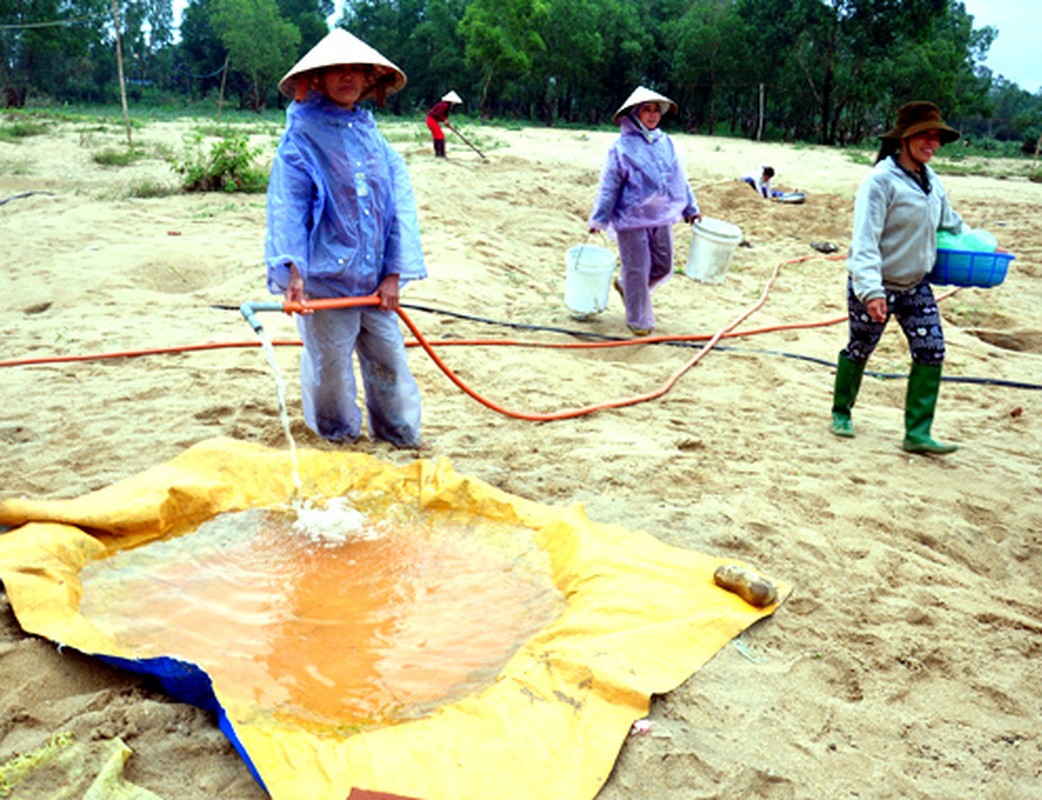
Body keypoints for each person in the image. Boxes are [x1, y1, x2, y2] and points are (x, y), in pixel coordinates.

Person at [264, 28, 427, 449]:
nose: (348, 77)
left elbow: (399, 208)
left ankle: (398, 437)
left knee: (389, 360)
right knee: (331, 371)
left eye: (356, 70)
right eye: (337, 70)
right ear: (317, 78)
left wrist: (393, 273)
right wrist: (293, 273)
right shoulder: (301, 137)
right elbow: (289, 207)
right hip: (326, 282)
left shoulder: (374, 139)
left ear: (370, 79)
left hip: (374, 285)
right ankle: (335, 440)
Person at [830, 100, 966, 455]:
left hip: (915, 285)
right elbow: (864, 241)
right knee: (861, 346)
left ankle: (918, 433)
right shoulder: (879, 182)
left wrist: (980, 247)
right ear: (904, 139)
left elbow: (950, 222)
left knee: (931, 350)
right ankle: (841, 412)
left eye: (936, 137)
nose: (932, 143)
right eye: (924, 135)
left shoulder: (931, 180)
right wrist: (871, 291)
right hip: (877, 284)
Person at [588, 86, 700, 337]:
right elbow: (609, 187)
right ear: (635, 113)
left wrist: (691, 208)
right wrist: (599, 219)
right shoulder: (621, 148)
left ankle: (626, 286)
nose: (652, 115)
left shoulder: (668, 144)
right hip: (630, 218)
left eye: (655, 110)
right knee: (638, 269)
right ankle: (638, 319)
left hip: (660, 216)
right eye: (646, 110)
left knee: (662, 265)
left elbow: (679, 179)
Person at [426, 90, 462, 157]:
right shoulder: (444, 105)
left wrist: (447, 122)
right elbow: (438, 114)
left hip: (433, 120)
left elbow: (444, 116)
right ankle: (441, 154)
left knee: (437, 136)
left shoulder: (447, 106)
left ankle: (439, 154)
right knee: (440, 136)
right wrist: (444, 120)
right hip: (431, 120)